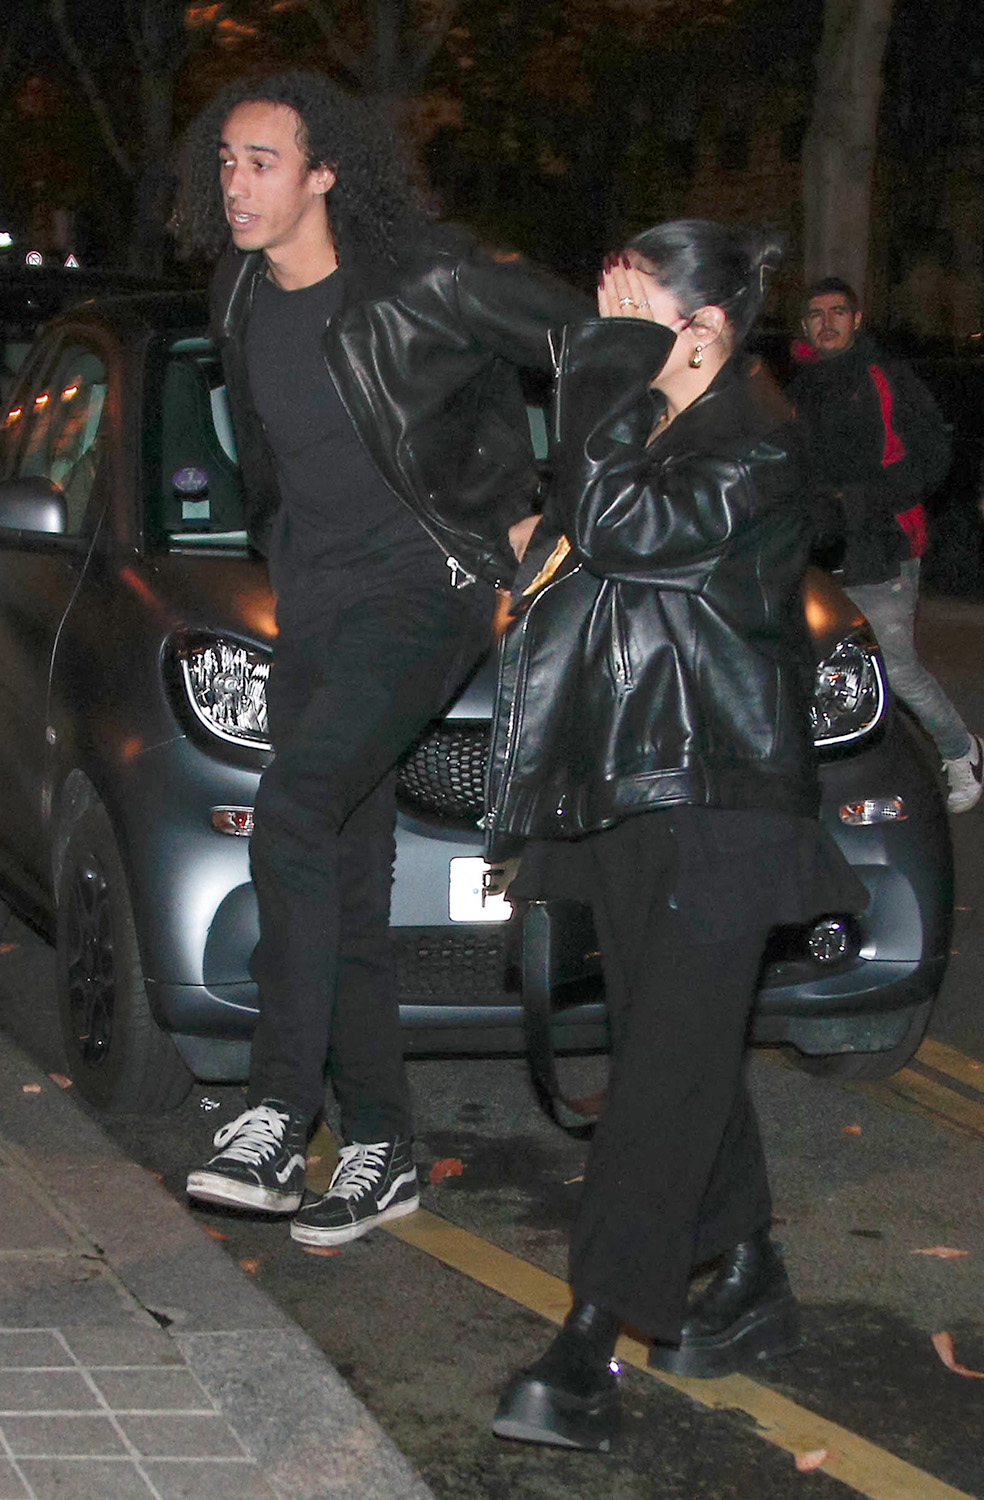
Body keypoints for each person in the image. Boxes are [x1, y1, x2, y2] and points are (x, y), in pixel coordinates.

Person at [172, 71, 587, 1248]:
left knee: (294, 809)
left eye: (261, 162)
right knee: (341, 877)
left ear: (324, 174)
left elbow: (594, 349)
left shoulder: (425, 280)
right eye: (225, 163)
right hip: (316, 602)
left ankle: (273, 1112)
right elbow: (267, 457)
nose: (236, 185)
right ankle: (382, 1148)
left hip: (431, 588)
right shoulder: (240, 291)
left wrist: (542, 515)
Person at [486, 221, 867, 1452]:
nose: (605, 330)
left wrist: (602, 359)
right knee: (676, 1045)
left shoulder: (753, 440)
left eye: (636, 310)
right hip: (628, 785)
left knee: (658, 1077)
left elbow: (612, 529)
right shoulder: (652, 427)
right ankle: (747, 1273)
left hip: (725, 802)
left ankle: (587, 1344)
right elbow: (580, 554)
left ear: (697, 332)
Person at [789, 277, 981, 813]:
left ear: (857, 318)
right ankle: (846, 774)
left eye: (838, 312)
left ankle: (961, 750)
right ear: (804, 325)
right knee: (825, 666)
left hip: (883, 545)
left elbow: (933, 456)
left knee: (893, 666)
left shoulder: (885, 376)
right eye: (816, 314)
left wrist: (865, 501)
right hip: (818, 551)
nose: (826, 322)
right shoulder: (799, 388)